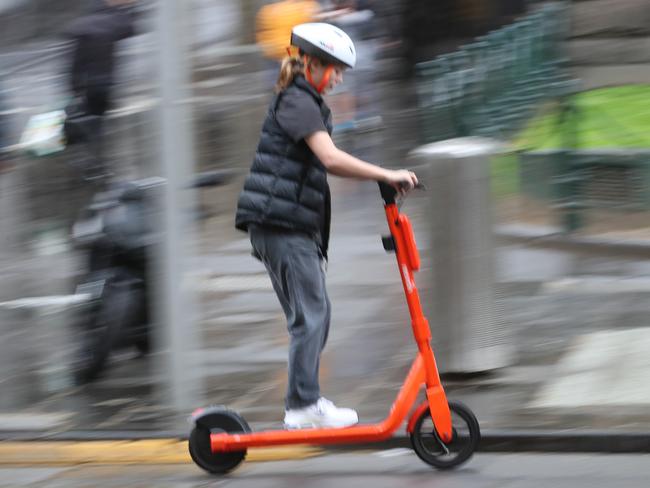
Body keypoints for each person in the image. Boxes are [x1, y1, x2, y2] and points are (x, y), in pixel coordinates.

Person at [235, 23, 418, 429]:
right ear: (312, 63)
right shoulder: (298, 100)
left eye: (342, 71)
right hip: (280, 225)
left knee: (312, 314)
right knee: (312, 315)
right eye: (334, 69)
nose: (338, 78)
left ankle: (304, 402)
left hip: (281, 223)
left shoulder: (305, 100)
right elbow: (330, 158)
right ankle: (302, 406)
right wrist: (386, 174)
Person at [63, 0, 136, 178]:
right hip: (106, 84)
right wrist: (129, 9)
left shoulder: (82, 27)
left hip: (87, 85)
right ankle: (99, 162)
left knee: (83, 122)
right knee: (100, 123)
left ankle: (88, 161)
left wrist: (74, 88)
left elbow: (75, 64)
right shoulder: (110, 25)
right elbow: (129, 28)